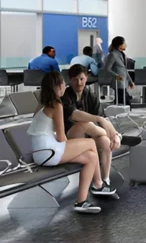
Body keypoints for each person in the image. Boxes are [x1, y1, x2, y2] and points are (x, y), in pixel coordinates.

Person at [28, 71, 112, 213]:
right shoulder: (56, 105)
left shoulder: (41, 105)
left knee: (90, 157)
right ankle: (98, 184)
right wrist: (73, 147)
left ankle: (81, 201)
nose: (64, 86)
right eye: (63, 84)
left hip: (40, 153)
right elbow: (62, 138)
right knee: (91, 144)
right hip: (49, 152)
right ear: (59, 86)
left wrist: (74, 148)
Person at [63, 64, 140, 193]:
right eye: (75, 79)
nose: (79, 82)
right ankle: (119, 136)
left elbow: (102, 116)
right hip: (70, 136)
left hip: (89, 135)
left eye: (81, 79)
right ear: (70, 80)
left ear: (86, 78)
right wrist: (100, 120)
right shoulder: (65, 95)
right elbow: (75, 115)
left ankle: (105, 180)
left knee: (104, 141)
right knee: (85, 123)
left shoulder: (89, 94)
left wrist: (110, 132)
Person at [102, 36, 133, 107]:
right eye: (124, 43)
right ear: (119, 45)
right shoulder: (112, 55)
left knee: (121, 102)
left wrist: (130, 81)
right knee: (125, 103)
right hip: (118, 82)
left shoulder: (122, 54)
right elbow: (107, 68)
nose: (126, 45)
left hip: (123, 82)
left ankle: (120, 115)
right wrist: (116, 76)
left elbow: (124, 69)